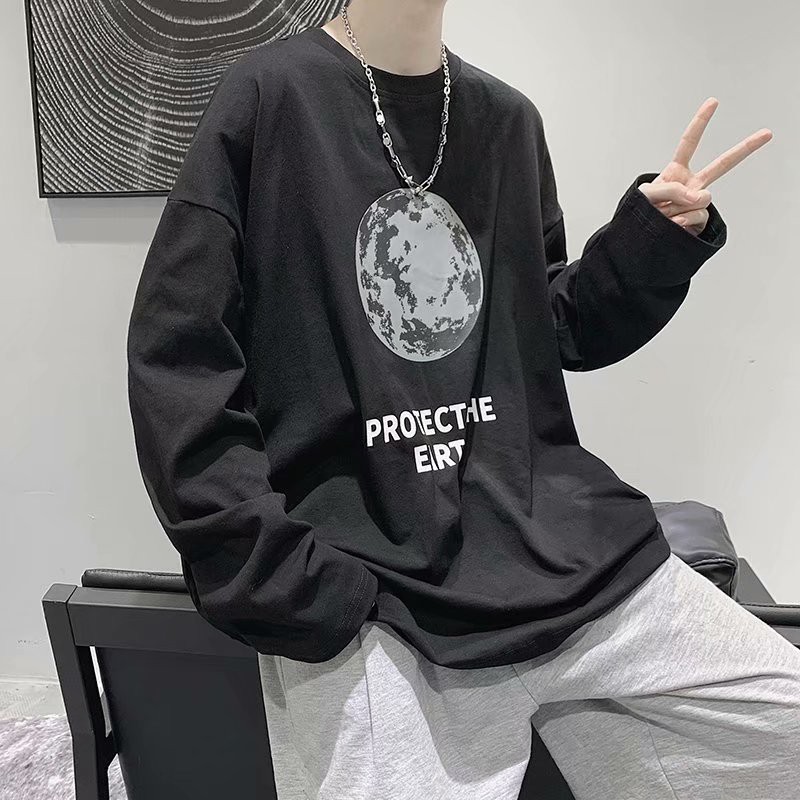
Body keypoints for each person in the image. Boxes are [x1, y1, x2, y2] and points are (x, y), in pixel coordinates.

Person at [125, 0, 800, 797]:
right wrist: (274, 575)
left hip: (555, 550)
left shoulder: (505, 118)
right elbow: (180, 352)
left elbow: (549, 326)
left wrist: (652, 239)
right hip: (375, 590)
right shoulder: (270, 96)